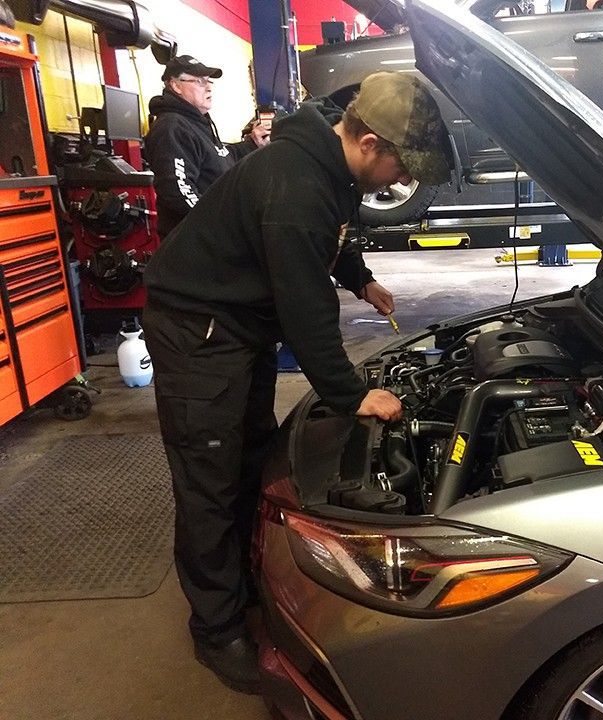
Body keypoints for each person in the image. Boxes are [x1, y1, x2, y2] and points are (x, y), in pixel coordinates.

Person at [142, 71, 454, 694]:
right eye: (401, 166)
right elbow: (305, 309)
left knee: (249, 455)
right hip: (198, 332)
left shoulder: (327, 168)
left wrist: (360, 277)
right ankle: (217, 631)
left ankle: (243, 581)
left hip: (233, 327)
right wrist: (350, 392)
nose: (402, 181)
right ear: (368, 142)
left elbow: (330, 242)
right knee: (209, 481)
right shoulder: (296, 185)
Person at [143, 54, 270, 238]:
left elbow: (220, 156)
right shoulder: (172, 127)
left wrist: (252, 143)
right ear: (176, 85)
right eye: (200, 81)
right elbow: (178, 192)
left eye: (209, 81)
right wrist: (223, 223)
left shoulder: (198, 123)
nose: (209, 87)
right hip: (193, 245)